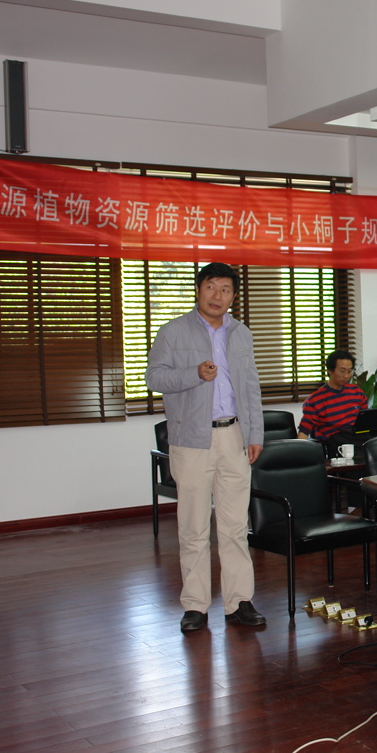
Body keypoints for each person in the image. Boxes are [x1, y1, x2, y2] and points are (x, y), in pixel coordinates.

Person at [146, 262, 266, 633]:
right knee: (194, 526)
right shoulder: (173, 331)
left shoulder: (241, 333)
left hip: (234, 435)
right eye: (211, 287)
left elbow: (250, 387)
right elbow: (154, 377)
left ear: (234, 296)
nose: (217, 295)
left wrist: (255, 434)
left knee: (235, 525)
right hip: (191, 440)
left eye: (225, 289)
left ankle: (239, 601)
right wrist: (194, 374)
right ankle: (195, 605)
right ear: (198, 290)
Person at [297, 350, 366, 444]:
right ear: (330, 370)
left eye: (349, 371)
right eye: (342, 371)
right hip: (334, 444)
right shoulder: (315, 400)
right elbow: (304, 431)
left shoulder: (357, 392)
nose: (346, 376)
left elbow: (365, 420)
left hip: (358, 439)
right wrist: (298, 450)